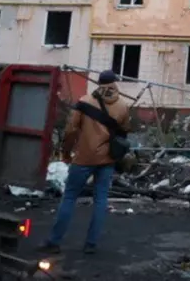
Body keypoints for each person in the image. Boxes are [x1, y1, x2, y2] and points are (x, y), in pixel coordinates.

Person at [40, 70, 131, 254]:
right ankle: (91, 244)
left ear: (99, 83)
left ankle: (54, 242)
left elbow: (71, 130)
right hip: (107, 159)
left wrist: (66, 153)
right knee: (100, 200)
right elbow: (124, 132)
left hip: (84, 158)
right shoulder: (123, 106)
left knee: (70, 197)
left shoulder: (85, 101)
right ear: (115, 83)